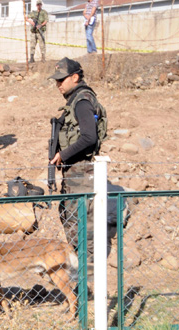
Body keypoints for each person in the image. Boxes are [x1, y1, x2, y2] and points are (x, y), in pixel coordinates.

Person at [48, 57, 106, 262]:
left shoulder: (81, 101)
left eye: (61, 80)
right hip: (76, 173)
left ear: (75, 77)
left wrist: (63, 154)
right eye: (56, 81)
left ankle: (88, 280)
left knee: (81, 227)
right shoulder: (75, 101)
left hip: (82, 174)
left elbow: (90, 137)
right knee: (69, 217)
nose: (58, 85)